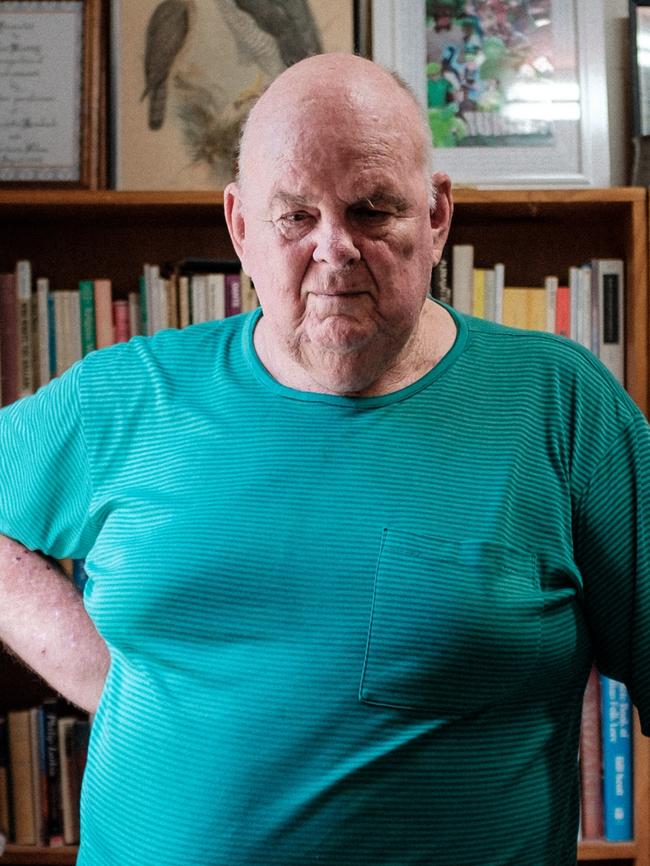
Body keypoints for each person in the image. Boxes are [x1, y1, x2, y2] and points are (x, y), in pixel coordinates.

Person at [0, 52, 648, 866]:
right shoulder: (124, 394)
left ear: (439, 215)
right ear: (240, 226)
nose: (334, 247)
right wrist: (107, 673)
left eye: (373, 210)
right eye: (294, 216)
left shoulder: (561, 405)